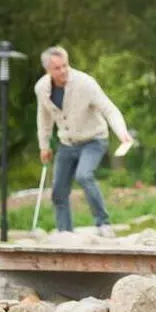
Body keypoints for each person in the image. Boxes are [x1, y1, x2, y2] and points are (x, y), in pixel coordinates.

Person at [35, 46, 133, 237]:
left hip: (93, 140)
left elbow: (109, 109)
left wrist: (122, 132)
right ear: (48, 70)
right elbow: (44, 118)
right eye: (57, 68)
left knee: (84, 175)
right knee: (58, 191)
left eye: (65, 65)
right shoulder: (41, 88)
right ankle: (65, 232)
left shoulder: (85, 83)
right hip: (67, 143)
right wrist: (44, 146)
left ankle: (103, 224)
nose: (63, 71)